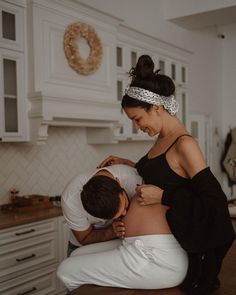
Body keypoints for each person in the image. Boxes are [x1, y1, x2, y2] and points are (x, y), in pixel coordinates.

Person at [97, 55, 235, 294]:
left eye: (137, 119)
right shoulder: (162, 139)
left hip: (174, 252)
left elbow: (215, 205)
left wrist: (164, 197)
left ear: (157, 108)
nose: (137, 127)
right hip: (150, 245)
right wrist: (127, 163)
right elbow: (163, 174)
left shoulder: (184, 145)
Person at [57, 191, 188, 291]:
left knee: (64, 270)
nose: (124, 212)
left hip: (156, 258)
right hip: (135, 244)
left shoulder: (130, 175)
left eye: (126, 206)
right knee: (76, 254)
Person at [61, 164, 142, 256]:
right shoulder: (71, 201)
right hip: (83, 246)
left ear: (118, 182)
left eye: (126, 205)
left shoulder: (132, 178)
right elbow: (84, 238)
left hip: (120, 243)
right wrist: (111, 231)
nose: (125, 213)